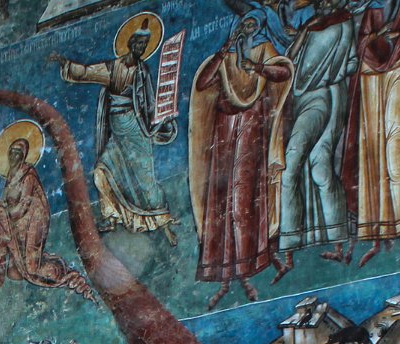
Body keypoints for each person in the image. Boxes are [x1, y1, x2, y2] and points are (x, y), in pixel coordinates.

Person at [188, 7, 294, 309]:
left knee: (244, 199)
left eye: (251, 24)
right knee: (221, 203)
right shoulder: (226, 57)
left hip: (250, 130)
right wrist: (223, 52)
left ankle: (248, 268)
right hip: (224, 132)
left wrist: (257, 67)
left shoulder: (262, 49)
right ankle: (224, 275)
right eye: (243, 24)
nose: (246, 29)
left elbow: (283, 72)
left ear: (258, 27)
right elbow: (202, 83)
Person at [54, 25, 178, 237]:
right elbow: (87, 72)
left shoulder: (142, 71)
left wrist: (162, 119)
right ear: (130, 43)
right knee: (101, 172)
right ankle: (112, 216)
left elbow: (149, 102)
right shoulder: (112, 68)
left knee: (145, 177)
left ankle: (163, 222)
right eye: (138, 43)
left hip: (135, 128)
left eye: (144, 45)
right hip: (117, 129)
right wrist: (66, 64)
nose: (141, 48)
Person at [343, 0, 400, 267]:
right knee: (373, 153)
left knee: (398, 150)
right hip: (372, 76)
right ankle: (378, 237)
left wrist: (399, 34)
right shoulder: (372, 7)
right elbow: (362, 40)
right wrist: (374, 40)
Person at [275, 0, 357, 270]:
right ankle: (337, 242)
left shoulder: (340, 23)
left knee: (289, 169)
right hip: (312, 97)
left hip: (319, 98)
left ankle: (289, 248)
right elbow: (291, 59)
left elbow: (349, 63)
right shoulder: (315, 25)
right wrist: (302, 32)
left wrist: (329, 78)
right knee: (320, 169)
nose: (322, 3)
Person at [0, 135, 95, 298]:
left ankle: (63, 273)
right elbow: (9, 203)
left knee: (32, 269)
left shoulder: (28, 176)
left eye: (17, 153)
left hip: (35, 221)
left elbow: (22, 206)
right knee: (17, 268)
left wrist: (3, 211)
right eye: (11, 152)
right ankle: (21, 265)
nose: (13, 156)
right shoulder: (11, 177)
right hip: (21, 222)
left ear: (23, 155)